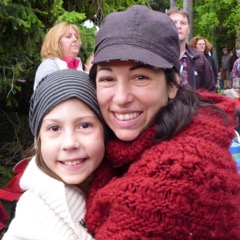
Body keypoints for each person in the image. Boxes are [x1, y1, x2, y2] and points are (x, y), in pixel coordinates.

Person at [84, 5, 240, 239]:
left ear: (172, 86)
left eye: (140, 77)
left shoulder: (178, 171)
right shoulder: (122, 149)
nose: (121, 97)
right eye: (107, 78)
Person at [3, 69, 106, 240]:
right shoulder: (32, 216)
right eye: (54, 128)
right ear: (40, 140)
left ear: (105, 131)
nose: (70, 143)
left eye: (85, 125)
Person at [166, 8, 216, 92]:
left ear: (188, 29)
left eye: (183, 23)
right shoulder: (156, 56)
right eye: (174, 22)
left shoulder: (200, 59)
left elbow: (210, 91)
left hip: (192, 104)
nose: (178, 26)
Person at [34, 21, 83, 90]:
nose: (75, 39)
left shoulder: (78, 67)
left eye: (76, 37)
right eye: (68, 36)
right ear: (56, 42)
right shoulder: (48, 65)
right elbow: (50, 94)